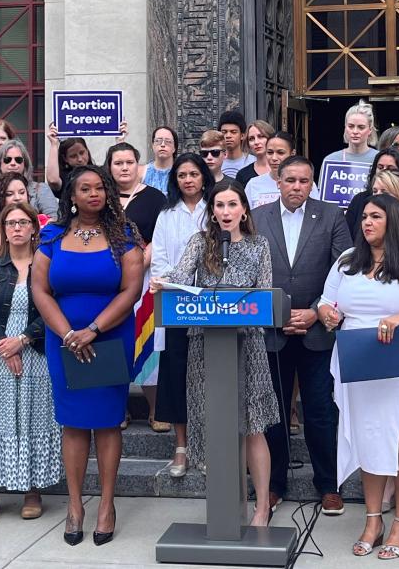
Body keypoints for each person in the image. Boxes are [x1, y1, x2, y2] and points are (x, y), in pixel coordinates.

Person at [318, 193, 399, 558]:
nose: (367, 223)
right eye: (363, 218)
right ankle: (373, 519)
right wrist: (328, 314)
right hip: (361, 362)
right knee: (370, 438)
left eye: (375, 216)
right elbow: (327, 301)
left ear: (393, 221)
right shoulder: (347, 261)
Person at [151, 180, 281, 527]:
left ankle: (261, 507)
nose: (225, 212)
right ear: (212, 211)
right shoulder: (200, 242)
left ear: (243, 210)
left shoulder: (258, 245)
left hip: (247, 343)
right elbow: (180, 280)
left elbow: (265, 293)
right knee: (216, 422)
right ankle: (225, 505)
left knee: (252, 426)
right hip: (205, 343)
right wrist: (164, 283)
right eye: (219, 206)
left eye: (231, 205)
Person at [34, 165, 142, 546]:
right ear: (72, 196)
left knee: (108, 421)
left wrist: (93, 330)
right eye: (85, 188)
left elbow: (131, 290)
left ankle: (107, 505)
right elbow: (40, 289)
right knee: (74, 423)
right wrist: (67, 333)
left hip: (109, 338)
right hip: (63, 341)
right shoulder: (52, 234)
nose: (94, 193)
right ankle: (76, 505)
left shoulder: (124, 234)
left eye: (100, 187)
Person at [253, 155, 352, 516]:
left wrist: (315, 311)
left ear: (313, 183)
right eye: (290, 180)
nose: (297, 187)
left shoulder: (331, 215)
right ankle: (274, 485)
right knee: (274, 411)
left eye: (304, 181)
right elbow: (249, 273)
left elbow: (344, 270)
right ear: (277, 181)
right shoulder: (258, 217)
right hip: (271, 332)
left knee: (321, 410)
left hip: (316, 329)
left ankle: (329, 484)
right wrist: (276, 316)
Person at [0, 202, 62, 523]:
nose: (17, 228)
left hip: (34, 353)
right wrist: (4, 344)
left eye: (23, 222)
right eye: (10, 223)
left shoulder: (47, 265)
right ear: (3, 229)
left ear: (35, 228)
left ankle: (32, 490)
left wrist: (22, 340)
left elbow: (53, 311)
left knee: (31, 418)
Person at [150, 153, 212, 476]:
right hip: (176, 305)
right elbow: (158, 260)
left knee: (206, 378)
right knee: (176, 376)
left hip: (209, 308)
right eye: (182, 175)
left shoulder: (214, 210)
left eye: (194, 174)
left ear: (204, 177)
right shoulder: (166, 214)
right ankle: (181, 447)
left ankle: (207, 446)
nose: (188, 180)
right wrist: (173, 284)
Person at [106, 142, 166, 413]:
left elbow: (159, 236)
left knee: (146, 340)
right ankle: (119, 408)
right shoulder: (100, 197)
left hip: (143, 277)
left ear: (139, 166)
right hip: (106, 281)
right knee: (113, 340)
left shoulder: (154, 198)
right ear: (109, 167)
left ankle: (155, 408)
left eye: (129, 162)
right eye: (118, 163)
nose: (124, 167)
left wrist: (138, 264)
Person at [345, 148, 399, 238]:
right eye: (380, 167)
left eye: (391, 168)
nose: (384, 171)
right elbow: (346, 237)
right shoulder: (359, 199)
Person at [320, 99, 378, 175]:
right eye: (351, 126)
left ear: (370, 130)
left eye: (361, 127)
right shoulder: (331, 160)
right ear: (345, 128)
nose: (355, 131)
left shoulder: (380, 159)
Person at [46, 126, 95, 196]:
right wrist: (54, 144)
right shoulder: (65, 178)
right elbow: (53, 180)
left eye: (82, 153)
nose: (80, 159)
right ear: (65, 158)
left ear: (87, 151)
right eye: (73, 156)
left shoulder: (99, 172)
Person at [236, 119, 275, 186]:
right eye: (251, 139)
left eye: (261, 136)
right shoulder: (243, 175)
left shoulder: (284, 170)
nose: (256, 142)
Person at [141, 126, 178, 195]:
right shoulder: (142, 172)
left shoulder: (180, 172)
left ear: (174, 148)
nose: (163, 145)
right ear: (152, 145)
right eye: (158, 141)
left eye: (168, 141)